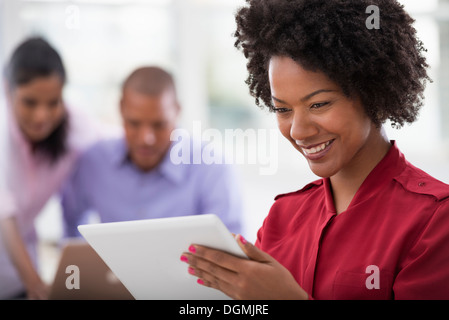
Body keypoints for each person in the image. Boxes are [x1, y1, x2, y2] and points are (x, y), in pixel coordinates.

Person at [181, 0, 449, 299]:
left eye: (318, 104)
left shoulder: (436, 218)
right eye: (282, 109)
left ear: (372, 92)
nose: (298, 130)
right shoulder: (282, 217)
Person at [61, 66, 243, 237]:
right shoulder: (94, 162)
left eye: (159, 125)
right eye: (134, 123)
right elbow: (72, 227)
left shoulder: (210, 166)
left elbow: (232, 244)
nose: (146, 139)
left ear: (177, 111)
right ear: (121, 109)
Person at [0, 37, 99, 299]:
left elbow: (114, 149)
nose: (42, 116)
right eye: (30, 102)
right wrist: (35, 283)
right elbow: (4, 215)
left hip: (17, 275)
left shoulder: (75, 125)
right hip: (23, 270)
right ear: (7, 90)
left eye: (53, 102)